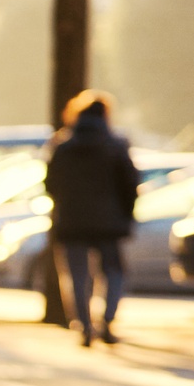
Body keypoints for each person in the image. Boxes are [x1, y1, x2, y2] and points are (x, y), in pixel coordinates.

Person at [43, 89, 140, 346]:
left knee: (77, 274)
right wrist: (126, 213)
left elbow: (50, 184)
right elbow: (130, 184)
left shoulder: (62, 146)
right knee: (114, 271)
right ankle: (108, 320)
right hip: (109, 221)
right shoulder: (116, 145)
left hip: (72, 221)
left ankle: (84, 326)